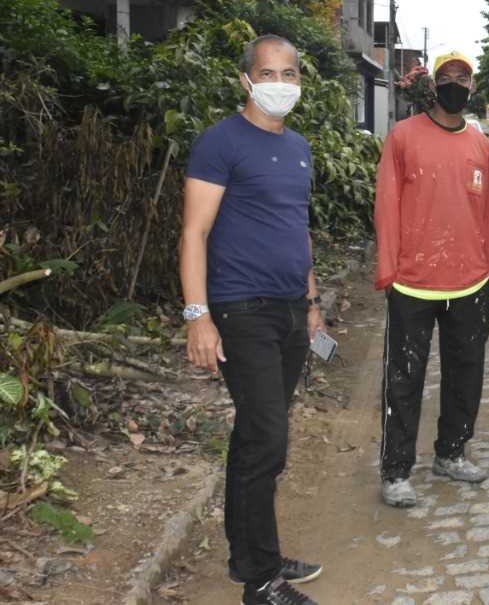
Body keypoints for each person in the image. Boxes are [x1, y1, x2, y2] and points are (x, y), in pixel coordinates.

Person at [182, 34, 325, 605]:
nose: (281, 84)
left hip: (291, 309)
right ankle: (263, 582)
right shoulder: (220, 143)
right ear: (246, 80)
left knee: (257, 437)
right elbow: (194, 231)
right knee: (267, 438)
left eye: (290, 74)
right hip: (241, 309)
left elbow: (299, 228)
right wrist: (198, 316)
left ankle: (252, 553)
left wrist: (312, 304)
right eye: (269, 73)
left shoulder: (300, 147)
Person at [375, 50, 489, 507]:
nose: (455, 85)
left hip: (469, 283)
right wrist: (388, 269)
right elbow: (387, 205)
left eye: (462, 79)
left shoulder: (480, 145)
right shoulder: (403, 137)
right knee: (405, 377)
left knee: (465, 375)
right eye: (446, 77)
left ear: (472, 88)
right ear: (433, 86)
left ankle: (451, 452)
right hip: (412, 282)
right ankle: (395, 471)